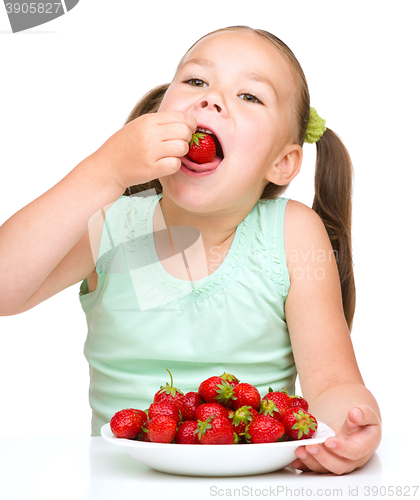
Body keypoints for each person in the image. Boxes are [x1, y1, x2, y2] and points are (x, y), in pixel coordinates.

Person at [0, 25, 381, 474]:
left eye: (250, 96)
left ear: (283, 162)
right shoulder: (112, 222)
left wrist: (350, 426)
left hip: (253, 482)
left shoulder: (293, 233)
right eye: (196, 81)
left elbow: (333, 382)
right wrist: (103, 172)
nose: (212, 99)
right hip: (123, 482)